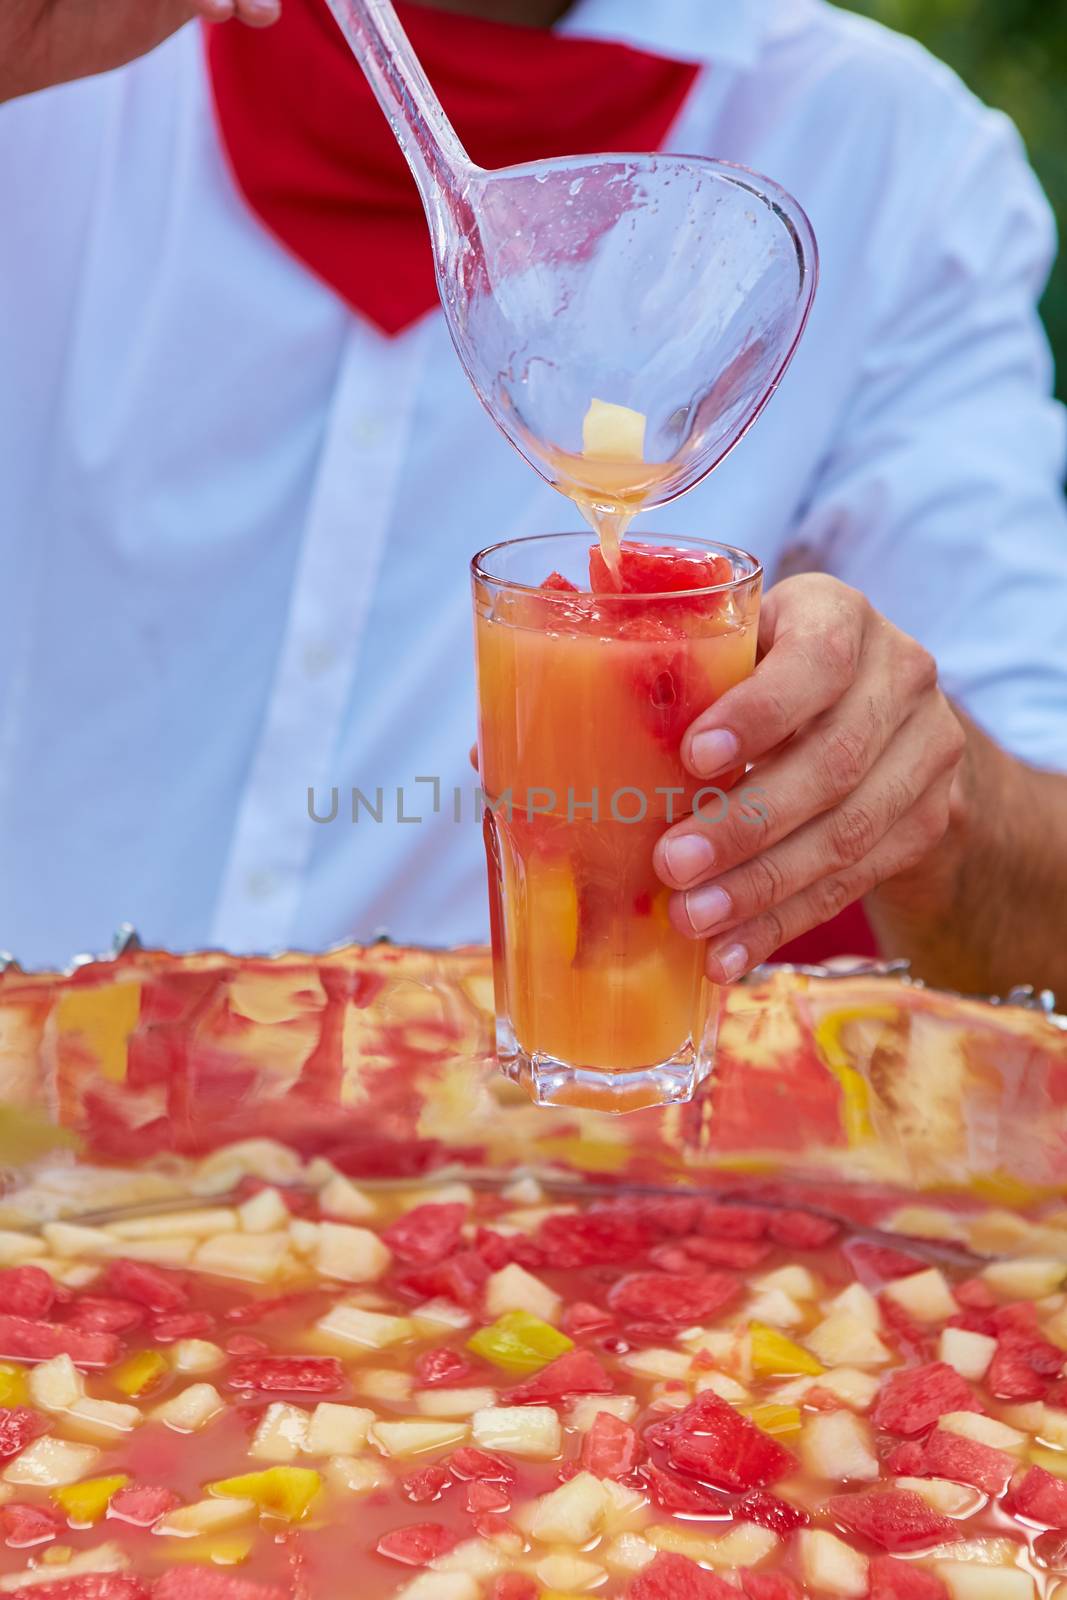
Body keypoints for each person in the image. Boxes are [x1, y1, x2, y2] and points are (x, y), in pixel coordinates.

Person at [1, 0, 1065, 994]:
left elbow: (1042, 912)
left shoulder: (890, 167)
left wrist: (931, 785)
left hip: (532, 1168)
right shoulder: (66, 60)